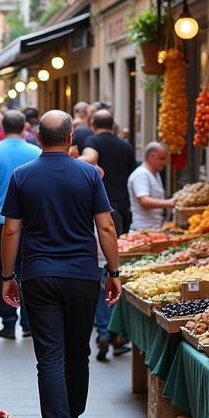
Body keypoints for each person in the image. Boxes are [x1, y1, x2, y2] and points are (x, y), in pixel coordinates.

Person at [0, 110, 122, 418]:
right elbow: (106, 227)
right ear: (70, 138)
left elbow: (11, 230)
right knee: (77, 354)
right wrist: (113, 270)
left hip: (39, 275)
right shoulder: (88, 174)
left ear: (38, 138)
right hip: (83, 276)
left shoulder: (22, 176)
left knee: (49, 357)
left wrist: (8, 276)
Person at [0, 110, 40, 338]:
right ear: (24, 127)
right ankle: (28, 322)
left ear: (3, 127)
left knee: (2, 268)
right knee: (29, 267)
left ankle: (8, 321)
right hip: (31, 220)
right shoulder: (36, 152)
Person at [81, 109, 138, 361]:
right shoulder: (125, 146)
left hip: (100, 210)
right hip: (121, 210)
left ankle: (104, 329)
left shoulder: (92, 143)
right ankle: (117, 334)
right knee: (114, 267)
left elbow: (89, 159)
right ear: (114, 126)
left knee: (103, 270)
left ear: (93, 125)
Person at [128, 141, 174, 231]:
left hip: (154, 228)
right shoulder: (141, 174)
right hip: (143, 229)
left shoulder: (155, 174)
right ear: (151, 156)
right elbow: (144, 201)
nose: (164, 163)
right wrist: (170, 203)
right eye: (161, 158)